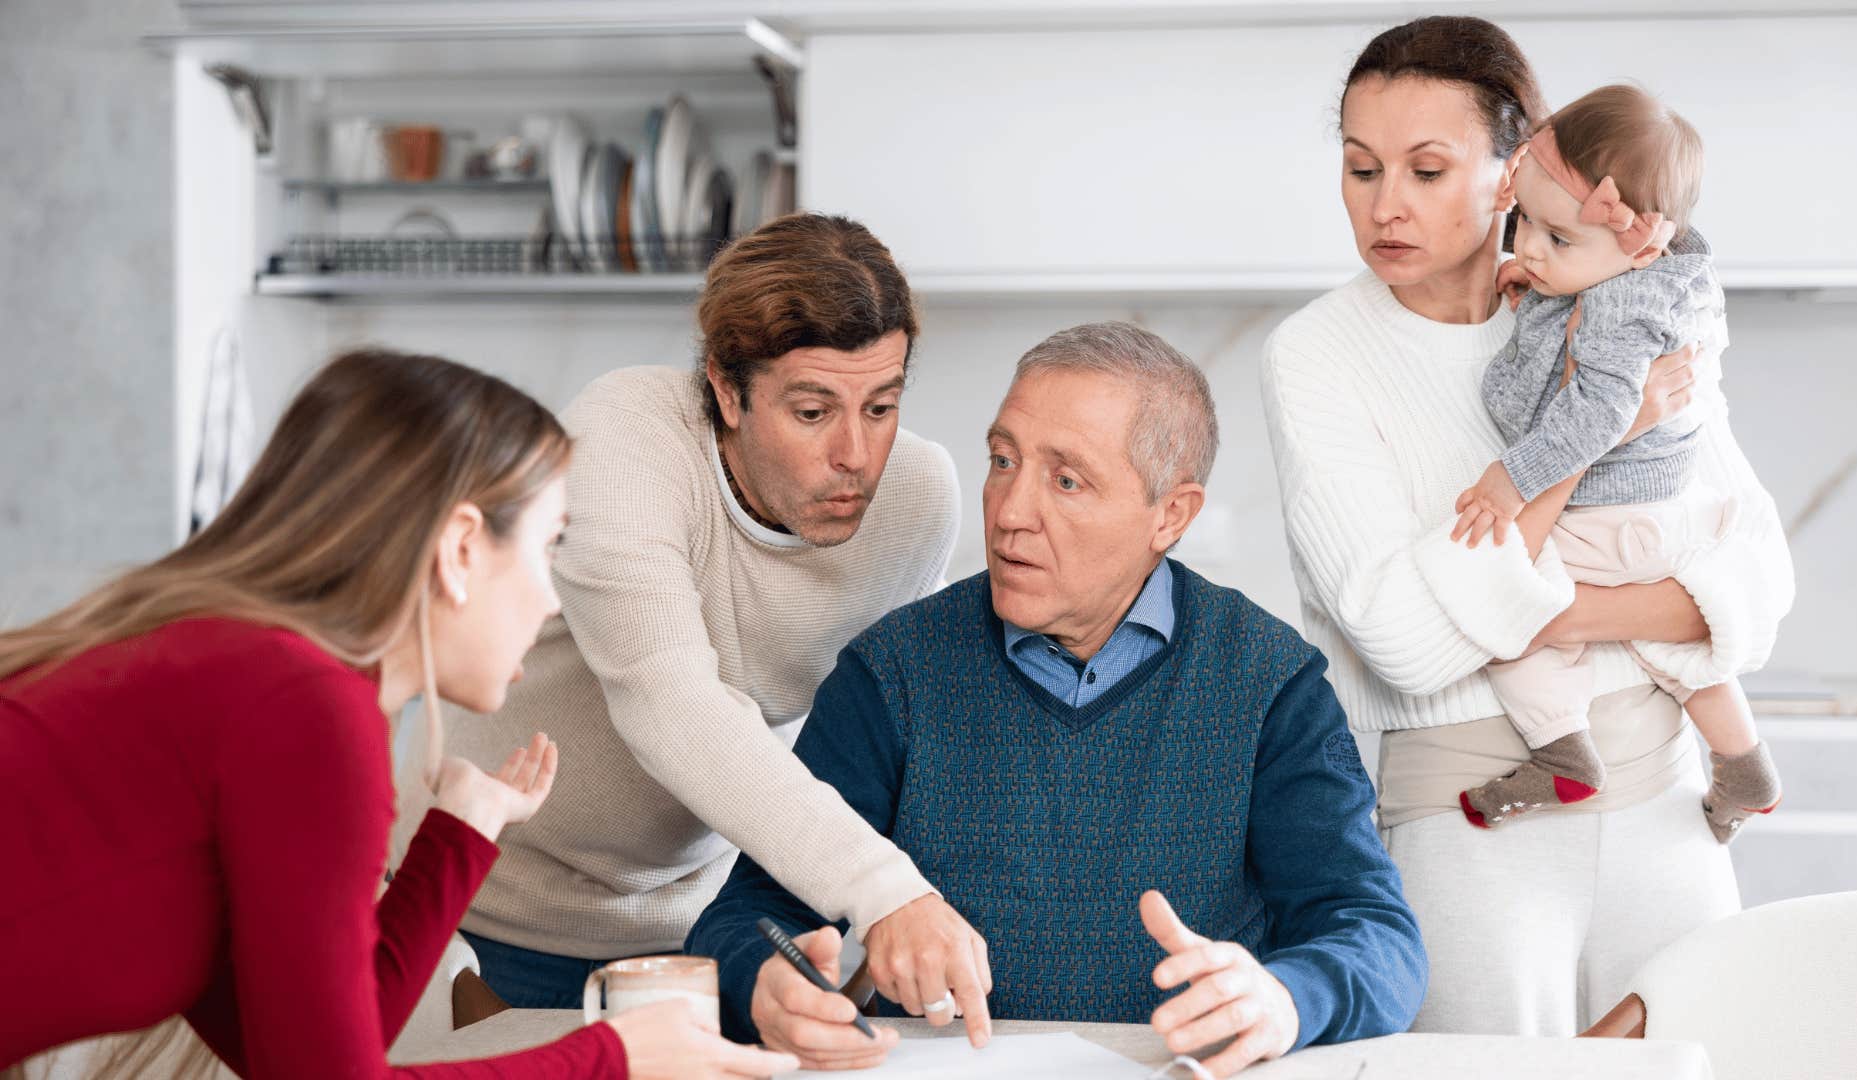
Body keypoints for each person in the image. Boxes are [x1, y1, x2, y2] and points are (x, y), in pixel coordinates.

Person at [0, 349, 797, 1080]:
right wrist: (611, 1057)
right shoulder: (302, 707)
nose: (553, 596)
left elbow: (304, 1052)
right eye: (548, 546)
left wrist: (461, 831)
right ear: (458, 550)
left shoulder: (254, 673)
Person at [686, 323, 1426, 1080]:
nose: (1010, 511)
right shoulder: (891, 673)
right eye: (1002, 461)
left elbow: (1376, 936)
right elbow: (744, 918)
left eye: (1066, 480)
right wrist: (765, 984)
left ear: (1170, 515)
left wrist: (1281, 998)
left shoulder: (1267, 680)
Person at [1260, 16, 1793, 1036]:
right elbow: (1404, 642)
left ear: (1514, 171)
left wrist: (1557, 617)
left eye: (1426, 168)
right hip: (1470, 826)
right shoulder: (1316, 354)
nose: (1385, 205)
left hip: (1672, 812)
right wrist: (1598, 466)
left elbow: (1759, 585)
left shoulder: (1622, 296)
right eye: (1361, 168)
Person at [432, 212, 985, 1020]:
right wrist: (884, 891)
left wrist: (872, 923)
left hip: (702, 933)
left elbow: (887, 733)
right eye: (812, 411)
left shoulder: (919, 498)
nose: (856, 456)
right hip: (488, 917)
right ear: (728, 390)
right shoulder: (623, 440)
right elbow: (671, 704)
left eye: (880, 406)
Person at [1445, 84, 1782, 839]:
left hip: (1610, 509)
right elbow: (1578, 311)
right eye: (1524, 221)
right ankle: (1743, 762)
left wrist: (1512, 478)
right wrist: (1538, 287)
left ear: (1644, 244)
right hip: (1658, 512)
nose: (1528, 245)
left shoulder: (1619, 306)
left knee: (1510, 615)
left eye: (1557, 240)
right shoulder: (1638, 280)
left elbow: (1596, 411)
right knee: (1673, 653)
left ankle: (1561, 749)